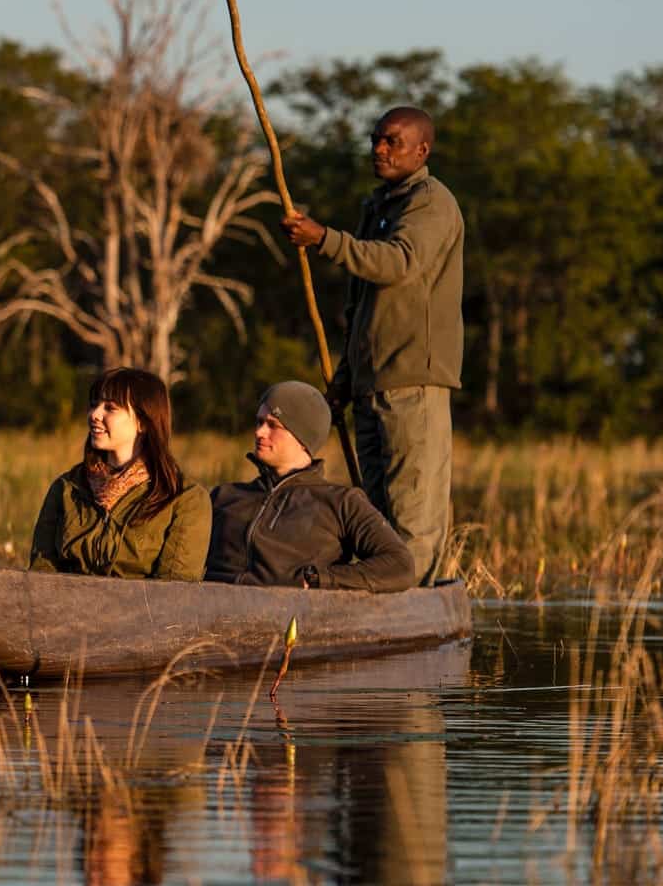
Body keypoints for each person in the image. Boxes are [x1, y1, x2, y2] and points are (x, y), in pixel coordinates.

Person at [281, 106, 463, 585]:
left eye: (391, 142)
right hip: (370, 386)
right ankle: (381, 607)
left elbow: (399, 263)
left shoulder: (430, 203)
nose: (379, 150)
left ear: (422, 151)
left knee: (412, 517)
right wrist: (344, 380)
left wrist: (324, 239)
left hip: (412, 384)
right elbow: (363, 306)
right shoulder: (379, 206)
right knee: (375, 518)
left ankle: (415, 614)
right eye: (375, 140)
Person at [205, 381, 413, 591]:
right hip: (207, 616)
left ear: (302, 436)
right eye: (259, 422)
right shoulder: (224, 496)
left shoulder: (341, 502)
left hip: (286, 619)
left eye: (272, 425)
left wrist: (318, 578)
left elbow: (400, 565)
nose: (260, 432)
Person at [28, 367, 210, 581]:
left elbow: (174, 595)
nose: (94, 415)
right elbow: (41, 576)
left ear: (142, 422)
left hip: (140, 614)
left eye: (110, 408)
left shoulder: (185, 499)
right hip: (68, 610)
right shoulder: (66, 488)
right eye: (94, 405)